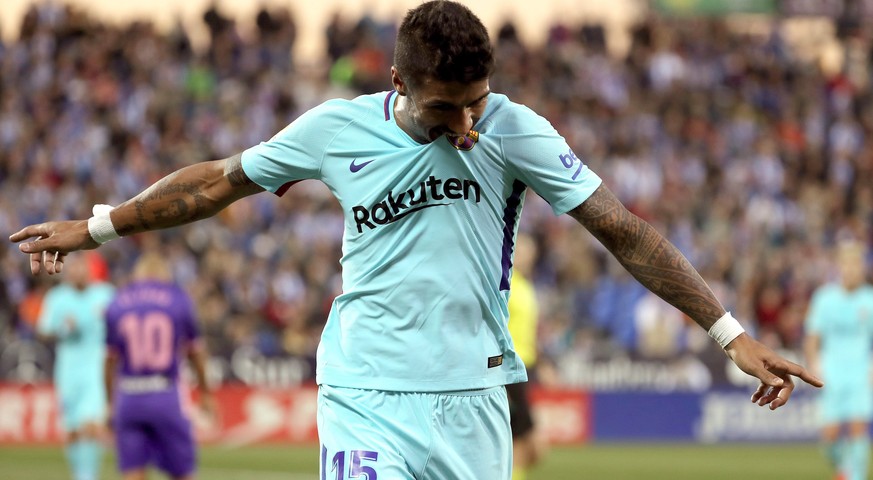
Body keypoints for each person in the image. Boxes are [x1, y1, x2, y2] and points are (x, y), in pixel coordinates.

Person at [10, 1, 822, 478]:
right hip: (362, 390)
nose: (467, 124)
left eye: (477, 101)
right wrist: (96, 226)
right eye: (445, 110)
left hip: (472, 397)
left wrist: (729, 333)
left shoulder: (516, 130)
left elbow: (621, 230)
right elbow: (216, 183)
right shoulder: (334, 129)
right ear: (397, 83)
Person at [104, 250, 216, 480]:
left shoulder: (117, 302)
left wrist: (110, 402)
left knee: (133, 472)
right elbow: (195, 352)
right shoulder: (178, 299)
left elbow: (109, 359)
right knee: (181, 472)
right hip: (165, 394)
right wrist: (205, 393)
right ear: (164, 274)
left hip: (129, 395)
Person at [37, 253, 115, 480]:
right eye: (74, 269)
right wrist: (62, 328)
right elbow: (43, 331)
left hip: (96, 369)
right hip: (68, 370)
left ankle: (87, 476)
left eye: (83, 268)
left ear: (89, 270)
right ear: (68, 272)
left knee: (91, 425)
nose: (78, 273)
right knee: (71, 430)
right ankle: (80, 473)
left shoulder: (106, 295)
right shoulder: (57, 297)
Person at [804, 240, 873, 480]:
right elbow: (812, 338)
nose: (852, 269)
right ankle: (845, 470)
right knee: (829, 439)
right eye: (847, 264)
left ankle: (856, 476)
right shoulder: (824, 298)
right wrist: (814, 364)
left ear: (862, 267)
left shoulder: (869, 299)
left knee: (858, 430)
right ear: (839, 267)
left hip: (860, 374)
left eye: (856, 264)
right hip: (831, 373)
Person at [506, 233, 546, 480]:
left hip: (527, 367)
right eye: (522, 251)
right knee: (528, 442)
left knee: (525, 443)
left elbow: (527, 330)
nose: (527, 256)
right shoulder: (505, 283)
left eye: (530, 252)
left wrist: (543, 363)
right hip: (510, 368)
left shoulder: (525, 285)